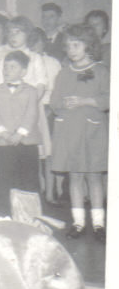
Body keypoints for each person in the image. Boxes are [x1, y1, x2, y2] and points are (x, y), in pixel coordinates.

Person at [50, 24, 109, 243]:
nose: (71, 50)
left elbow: (109, 99)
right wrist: (63, 105)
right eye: (68, 46)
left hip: (93, 132)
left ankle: (99, 223)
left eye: (77, 45)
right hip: (70, 132)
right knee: (74, 177)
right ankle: (78, 222)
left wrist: (86, 101)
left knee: (94, 177)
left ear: (88, 45)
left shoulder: (101, 70)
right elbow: (54, 101)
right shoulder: (64, 73)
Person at [0, 51, 41, 212]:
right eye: (5, 67)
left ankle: (30, 216)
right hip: (5, 143)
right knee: (6, 180)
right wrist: (4, 133)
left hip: (26, 142)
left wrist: (20, 133)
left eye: (12, 67)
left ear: (23, 72)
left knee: (29, 180)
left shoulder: (31, 91)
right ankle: (9, 216)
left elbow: (31, 114)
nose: (7, 70)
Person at [28, 27, 63, 206]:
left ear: (44, 42)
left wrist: (52, 108)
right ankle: (36, 192)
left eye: (38, 41)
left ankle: (51, 192)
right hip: (28, 111)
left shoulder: (53, 63)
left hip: (48, 110)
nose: (35, 45)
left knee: (49, 154)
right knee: (32, 153)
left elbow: (59, 89)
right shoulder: (26, 60)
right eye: (31, 41)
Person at [0, 16, 47, 101]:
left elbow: (41, 84)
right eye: (10, 32)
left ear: (28, 34)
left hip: (30, 103)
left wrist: (31, 103)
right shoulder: (4, 59)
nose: (13, 36)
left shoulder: (35, 58)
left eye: (17, 32)